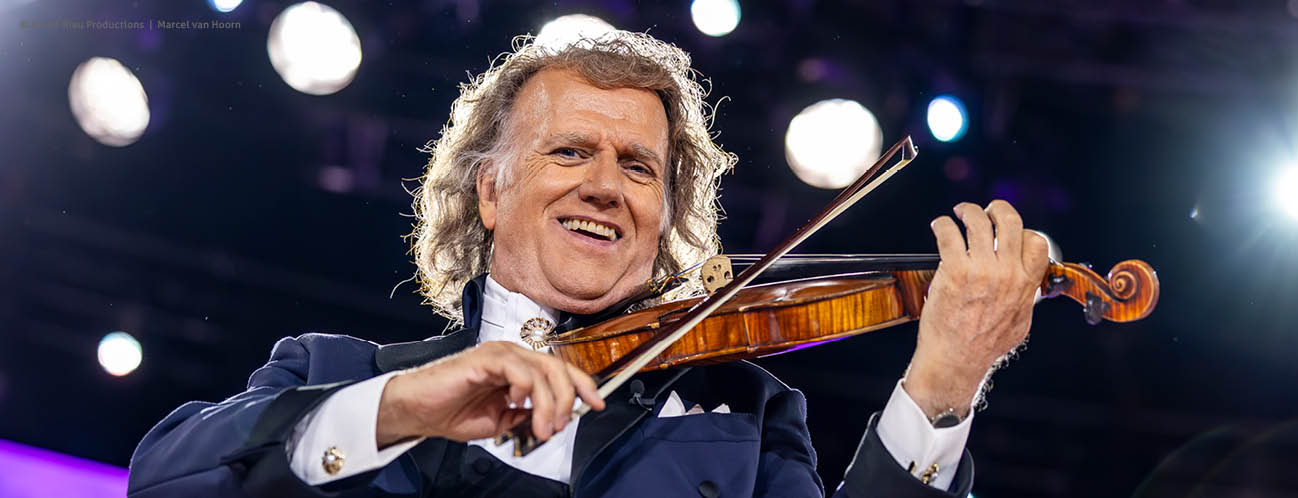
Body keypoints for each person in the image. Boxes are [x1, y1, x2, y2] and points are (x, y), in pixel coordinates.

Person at [127, 31, 1049, 498]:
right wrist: (403, 408)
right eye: (570, 152)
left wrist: (942, 387)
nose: (606, 186)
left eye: (639, 168)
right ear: (490, 192)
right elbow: (165, 478)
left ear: (664, 221)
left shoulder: (745, 420)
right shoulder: (339, 374)